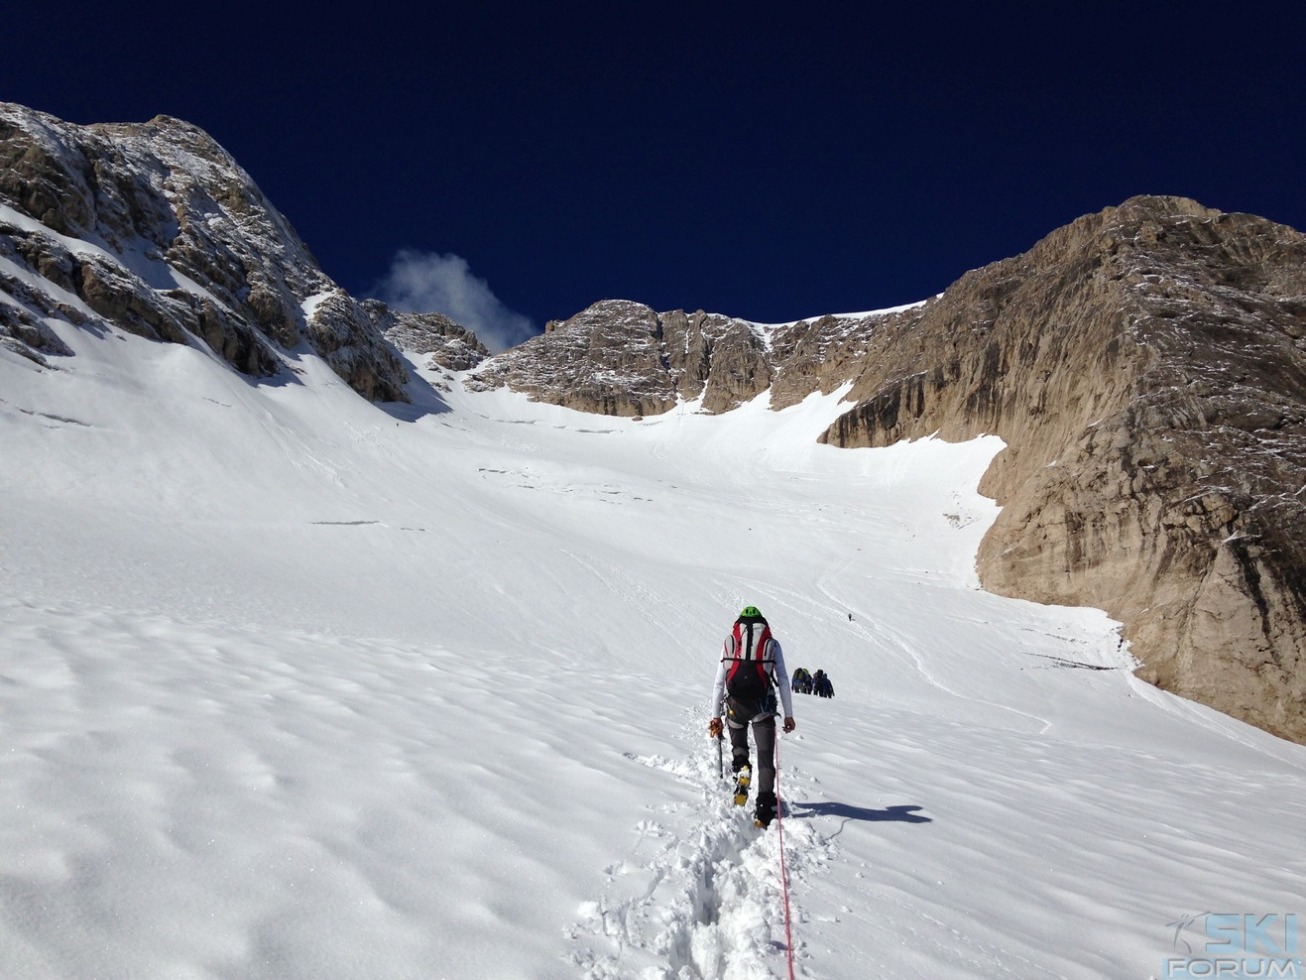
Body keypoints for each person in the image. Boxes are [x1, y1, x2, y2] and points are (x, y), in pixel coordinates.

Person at [708, 605, 796, 827]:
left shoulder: (731, 642)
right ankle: (764, 809)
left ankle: (742, 768)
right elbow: (783, 680)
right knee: (766, 757)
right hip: (763, 706)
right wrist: (788, 715)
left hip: (736, 705)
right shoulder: (772, 644)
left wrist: (715, 716)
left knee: (739, 745)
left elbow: (719, 682)